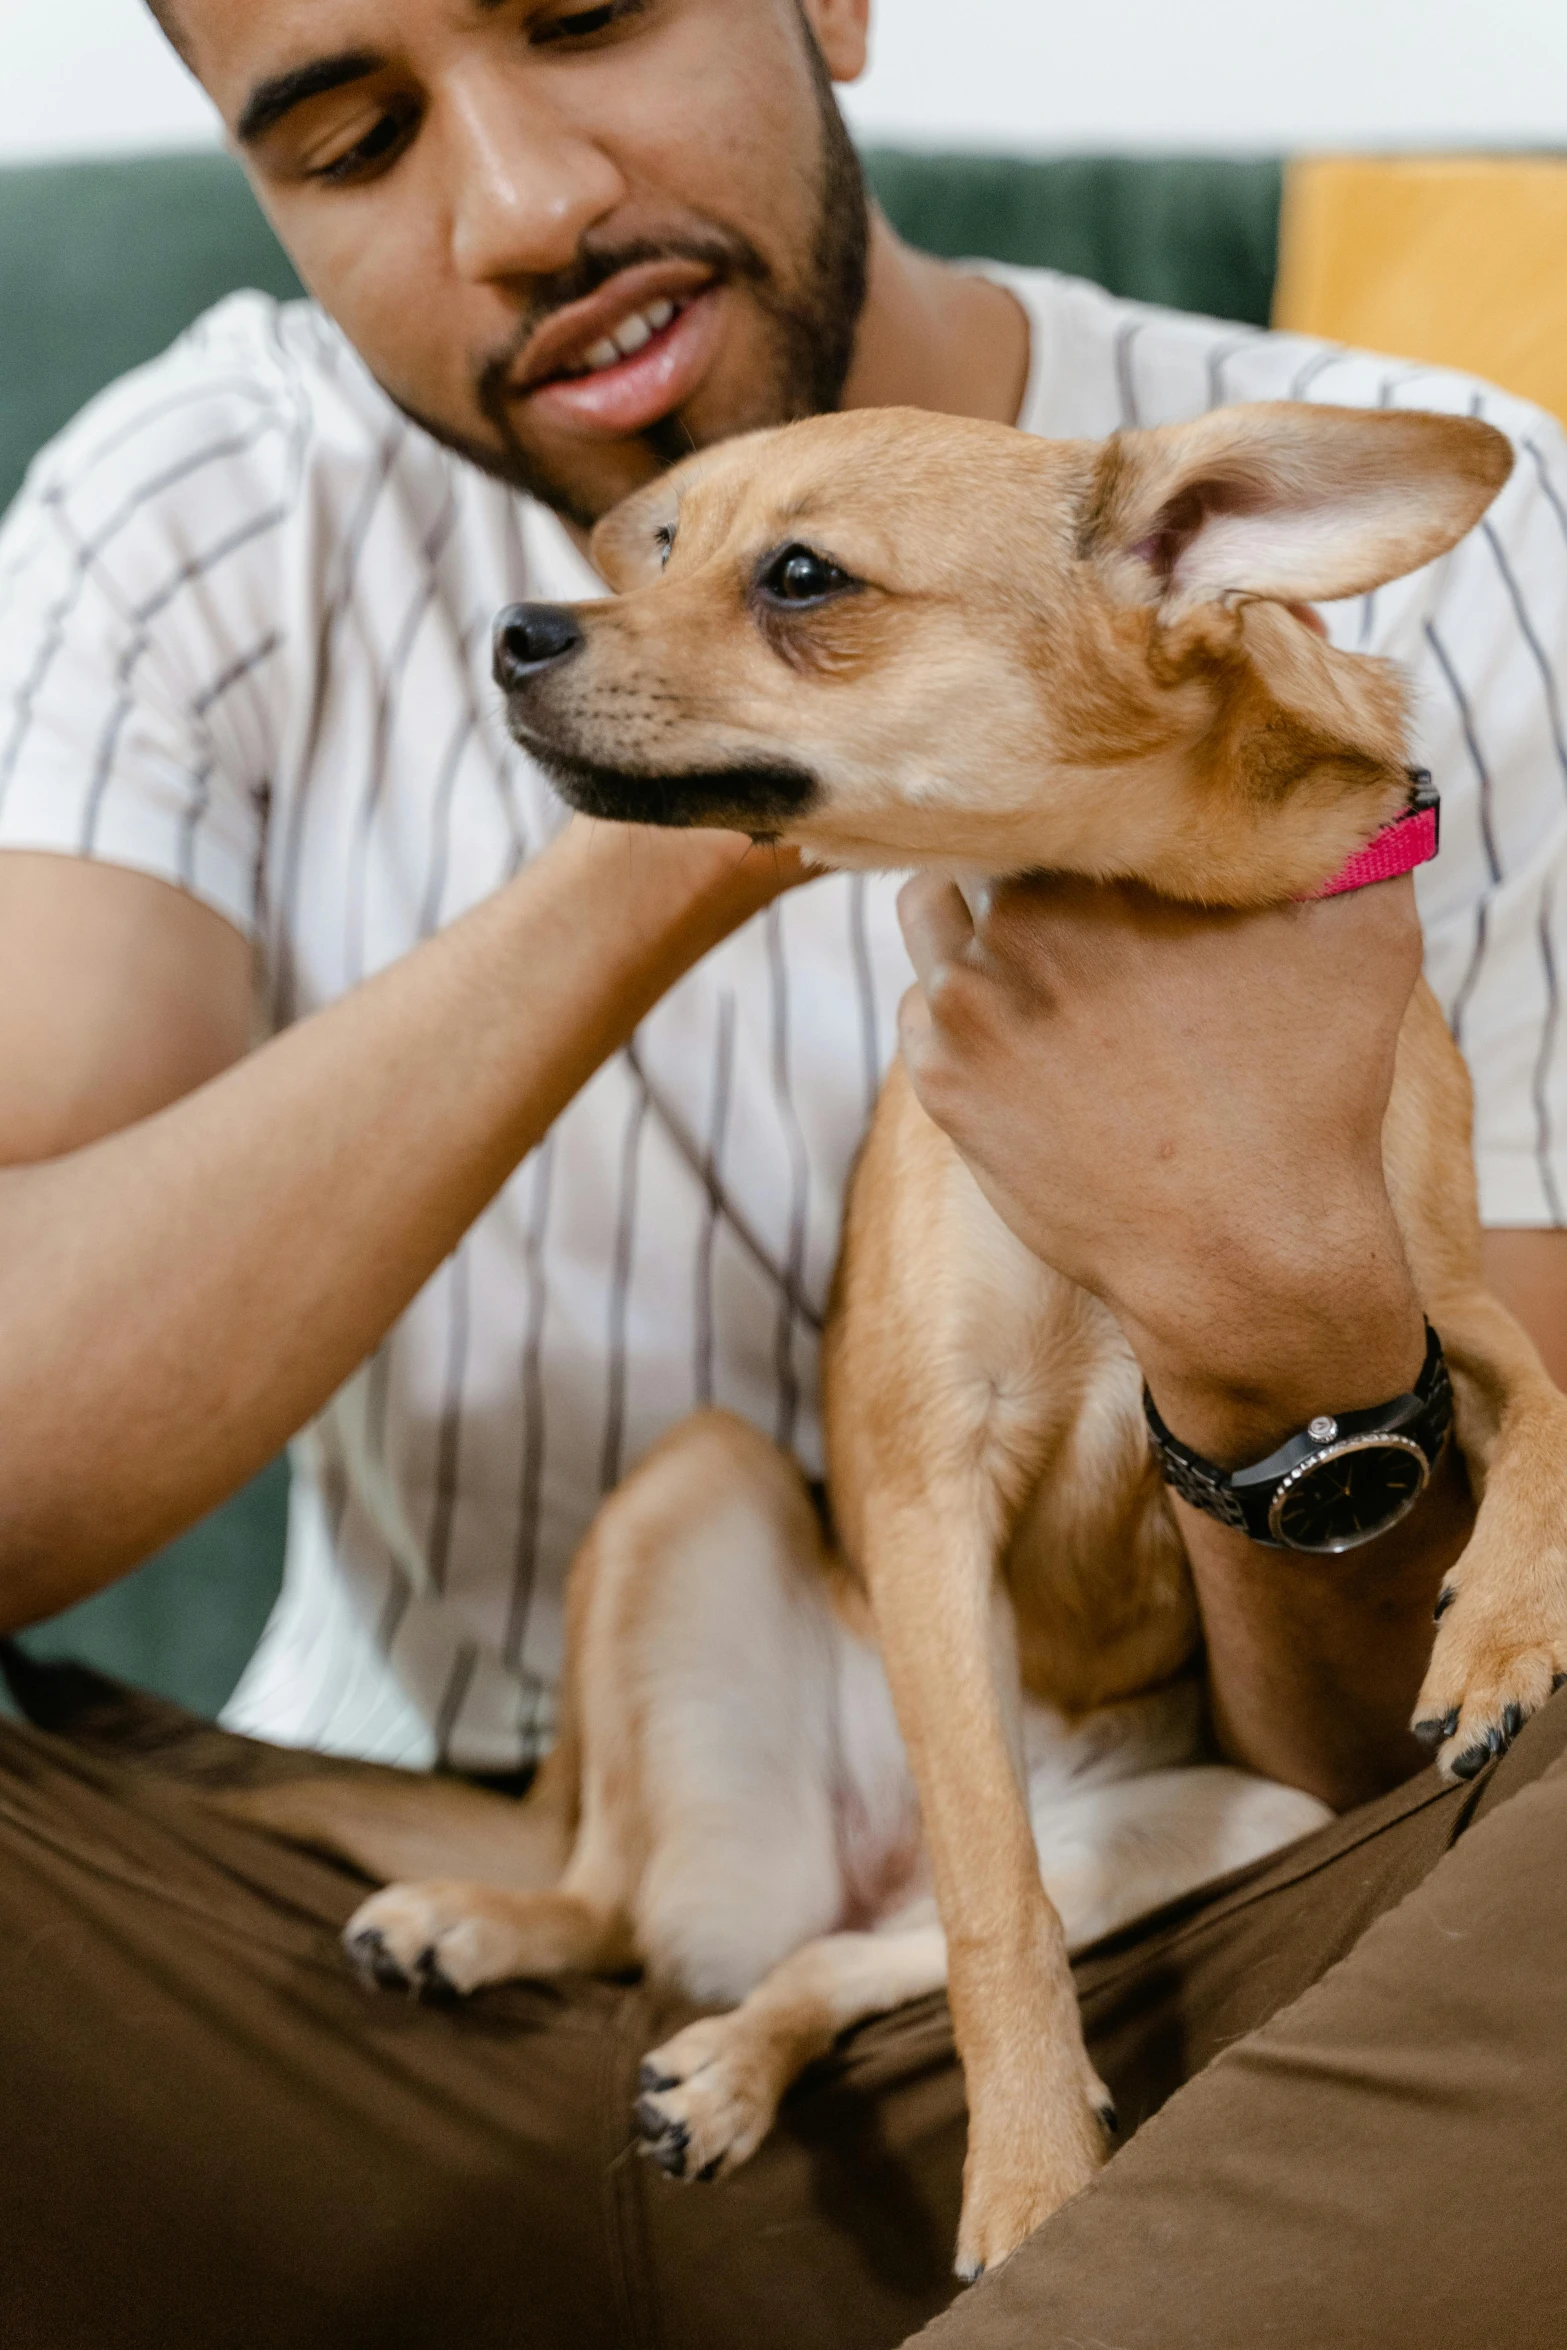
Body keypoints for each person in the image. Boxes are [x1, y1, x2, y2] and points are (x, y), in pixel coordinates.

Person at [0, 2, 1565, 2342]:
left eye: (588, 8)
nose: (523, 203)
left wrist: (1259, 1306)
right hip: (369, 2003)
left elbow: (1434, 1768)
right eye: (347, 134)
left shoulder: (1449, 594)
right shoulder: (206, 510)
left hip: (1196, 1996)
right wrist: (698, 790)